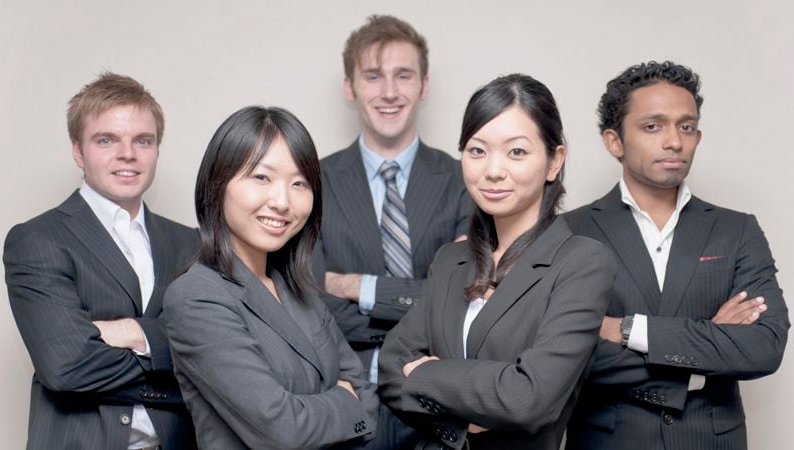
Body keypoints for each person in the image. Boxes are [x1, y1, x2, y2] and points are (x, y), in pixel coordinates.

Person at [378, 74, 617, 449]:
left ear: (554, 161)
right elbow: (391, 367)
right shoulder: (450, 259)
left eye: (516, 152)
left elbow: (528, 399)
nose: (492, 170)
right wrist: (465, 421)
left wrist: (423, 375)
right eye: (477, 150)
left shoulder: (582, 263)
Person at [564, 61, 789, 450]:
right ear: (614, 141)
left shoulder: (737, 230)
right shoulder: (569, 233)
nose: (674, 141)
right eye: (653, 126)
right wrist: (705, 350)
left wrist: (628, 330)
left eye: (686, 127)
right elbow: (569, 359)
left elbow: (764, 346)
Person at [164, 106, 378, 449]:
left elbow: (367, 397)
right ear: (217, 184)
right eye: (262, 178)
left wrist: (331, 406)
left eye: (299, 183)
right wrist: (344, 401)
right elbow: (280, 430)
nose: (282, 202)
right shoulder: (197, 296)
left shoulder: (298, 290)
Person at [3, 72, 198, 449]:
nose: (128, 154)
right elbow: (66, 366)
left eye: (143, 140)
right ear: (78, 151)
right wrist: (167, 351)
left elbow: (217, 352)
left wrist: (131, 332)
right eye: (106, 140)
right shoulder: (37, 240)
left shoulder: (191, 243)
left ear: (157, 150)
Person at [313, 14, 471, 449]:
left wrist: (355, 286)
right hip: (343, 399)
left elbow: (464, 299)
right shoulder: (311, 183)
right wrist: (427, 305)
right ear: (350, 87)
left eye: (403, 75)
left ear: (424, 85)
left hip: (439, 400)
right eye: (372, 76)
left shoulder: (465, 180)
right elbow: (309, 302)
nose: (388, 92)